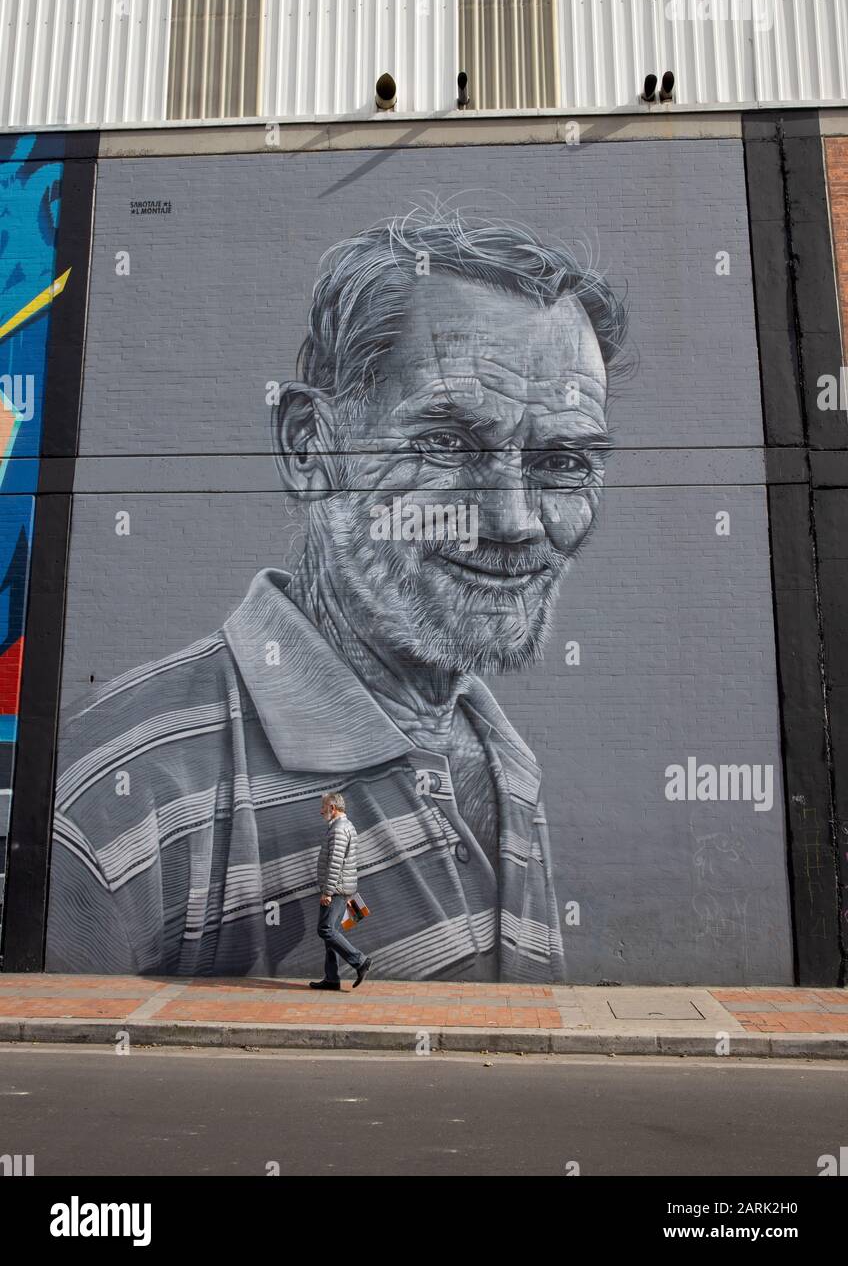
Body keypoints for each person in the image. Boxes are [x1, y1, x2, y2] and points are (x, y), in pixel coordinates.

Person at [46, 203, 627, 981]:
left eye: (564, 462)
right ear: (309, 446)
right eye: (449, 444)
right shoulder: (116, 804)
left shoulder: (498, 757)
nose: (515, 520)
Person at [311, 792, 372, 991]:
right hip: (341, 887)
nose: (321, 811)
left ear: (333, 808)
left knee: (325, 930)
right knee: (332, 931)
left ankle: (360, 961)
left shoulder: (338, 830)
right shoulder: (346, 826)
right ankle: (331, 978)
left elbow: (335, 864)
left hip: (336, 889)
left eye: (323, 807)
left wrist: (327, 891)